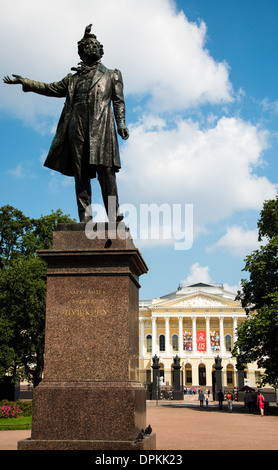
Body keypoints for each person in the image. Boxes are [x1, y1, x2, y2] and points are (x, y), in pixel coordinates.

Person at [3, 24, 129, 223]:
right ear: (81, 51)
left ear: (101, 50)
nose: (93, 47)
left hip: (102, 126)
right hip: (76, 125)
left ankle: (114, 215)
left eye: (96, 45)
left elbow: (118, 100)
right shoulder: (73, 79)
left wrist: (121, 122)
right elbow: (49, 88)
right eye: (88, 45)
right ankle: (85, 218)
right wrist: (25, 81)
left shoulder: (112, 74)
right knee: (81, 173)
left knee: (106, 171)